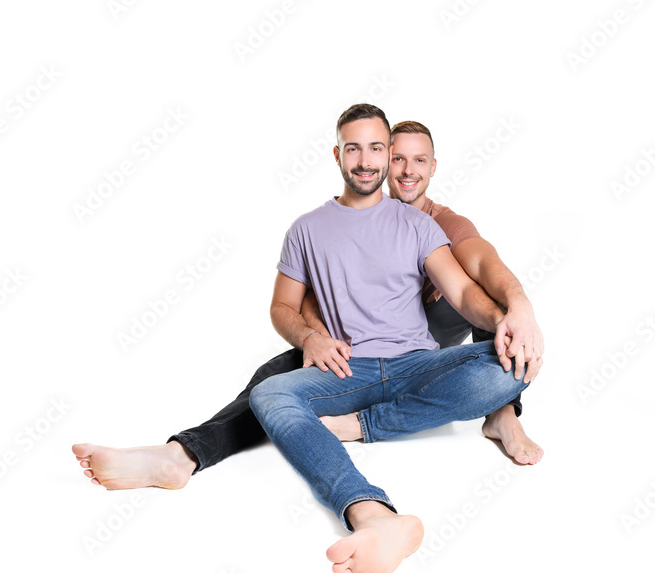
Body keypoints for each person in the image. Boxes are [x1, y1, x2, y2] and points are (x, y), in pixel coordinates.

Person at [71, 118, 545, 492]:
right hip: (356, 352)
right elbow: (306, 300)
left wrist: (517, 309)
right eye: (394, 156)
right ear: (366, 158)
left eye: (417, 160)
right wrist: (314, 338)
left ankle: (501, 412)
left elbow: (477, 274)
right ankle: (184, 455)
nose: (404, 170)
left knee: (502, 325)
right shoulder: (328, 224)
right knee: (271, 379)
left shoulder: (437, 222)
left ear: (433, 167)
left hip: (429, 346)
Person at [245, 103, 533, 573]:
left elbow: (463, 292)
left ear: (387, 154)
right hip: (346, 369)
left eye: (376, 148)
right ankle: (375, 517)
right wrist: (309, 336)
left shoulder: (421, 225)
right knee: (269, 394)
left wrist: (507, 321)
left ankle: (365, 426)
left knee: (512, 366)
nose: (365, 160)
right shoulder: (307, 229)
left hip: (416, 362)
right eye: (353, 148)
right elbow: (281, 307)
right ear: (337, 155)